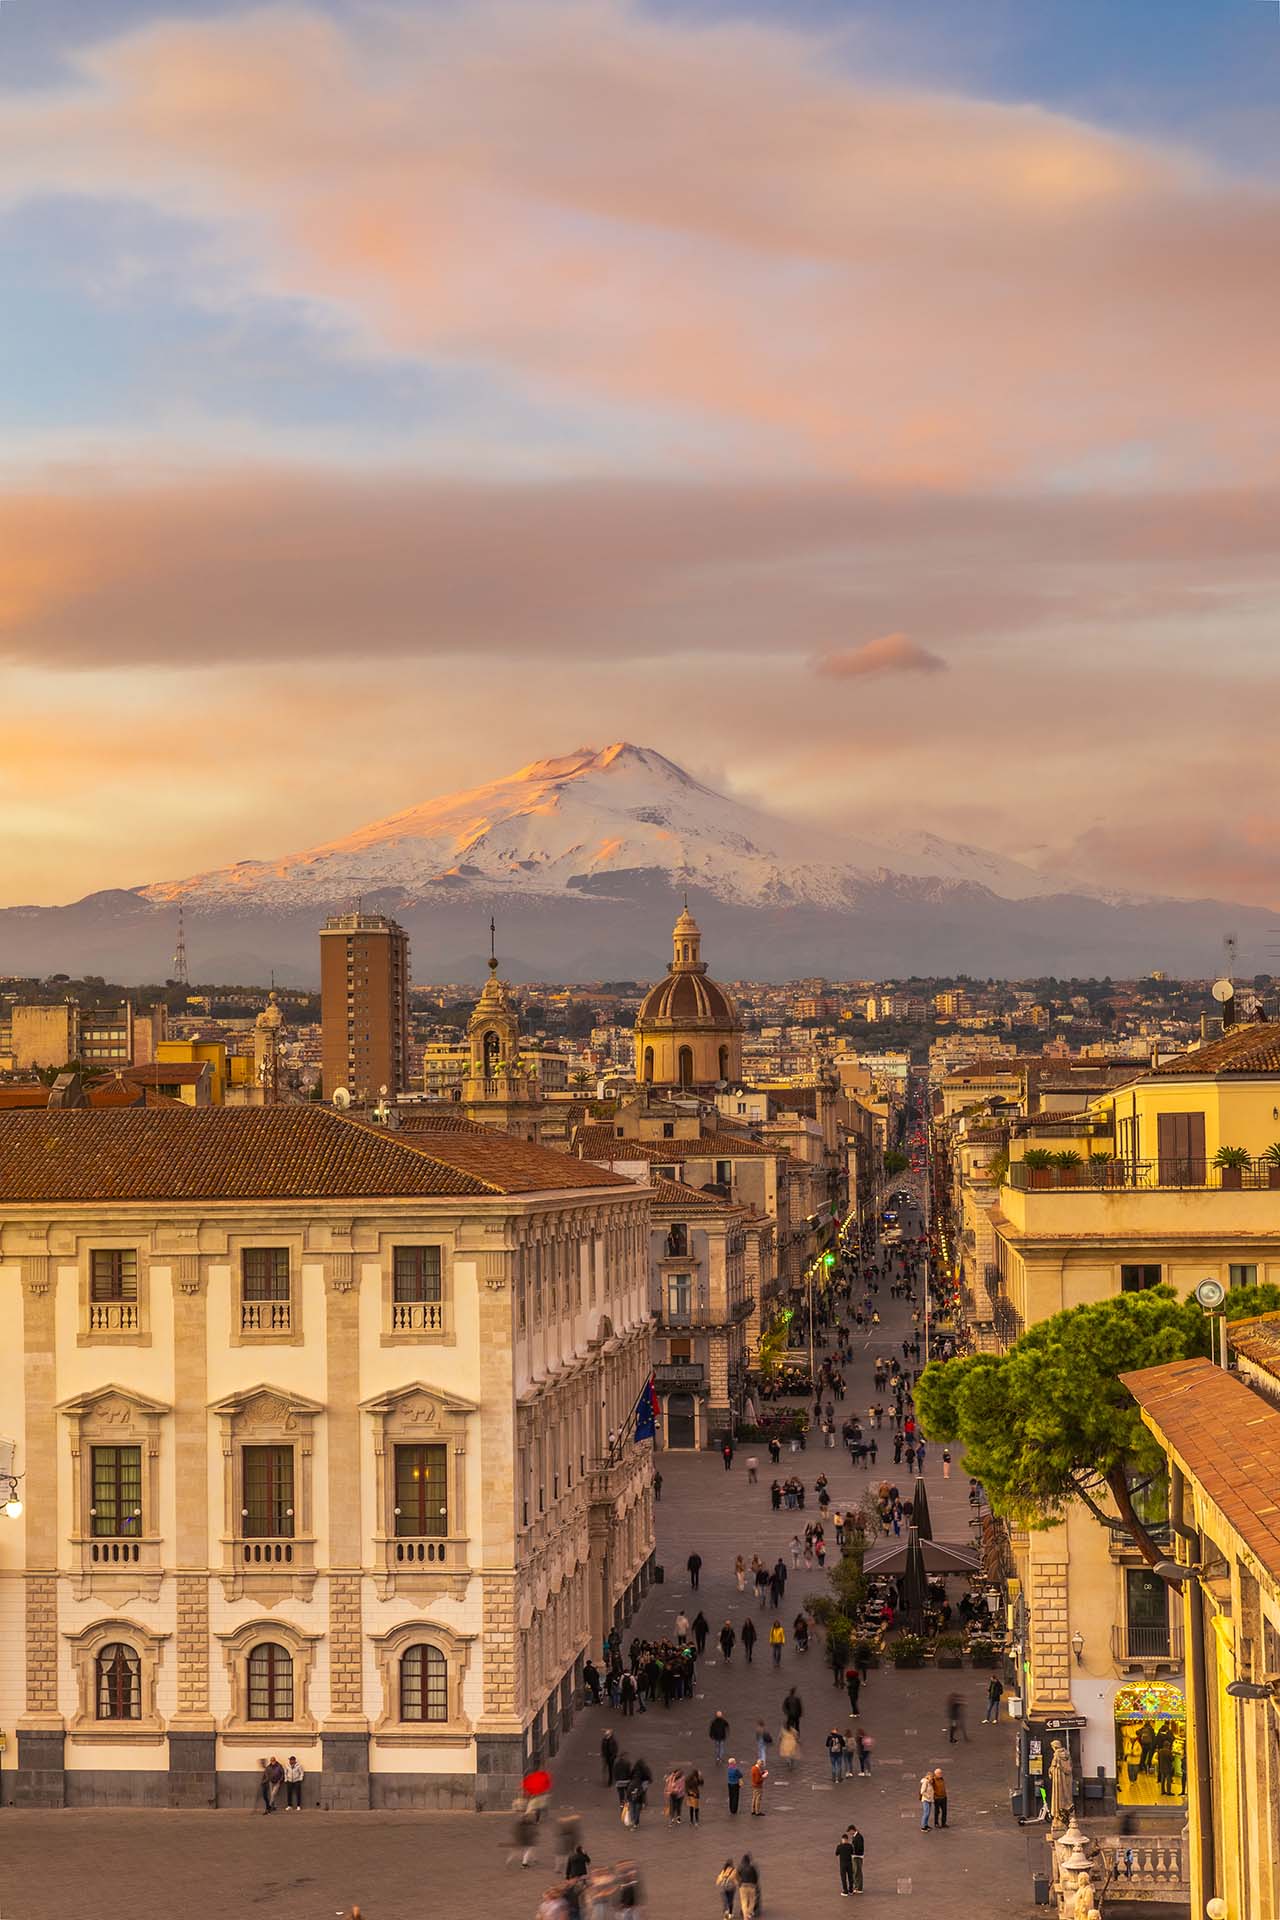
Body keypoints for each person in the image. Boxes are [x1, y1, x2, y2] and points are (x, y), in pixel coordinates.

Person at [736, 1853, 761, 1920]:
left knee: (744, 1901)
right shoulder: (752, 1868)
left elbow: (737, 1876)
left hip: (743, 1886)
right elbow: (756, 1876)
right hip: (751, 1886)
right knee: (752, 1901)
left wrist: (739, 1884)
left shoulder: (740, 1867)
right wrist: (755, 1884)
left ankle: (745, 1917)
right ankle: (749, 1913)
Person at [835, 1828, 857, 1897]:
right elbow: (852, 1853)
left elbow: (836, 1853)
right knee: (850, 1877)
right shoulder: (850, 1846)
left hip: (843, 1864)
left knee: (843, 1877)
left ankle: (845, 1891)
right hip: (849, 1863)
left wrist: (840, 1846)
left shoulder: (839, 1846)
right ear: (847, 1839)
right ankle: (851, 1890)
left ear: (842, 1839)